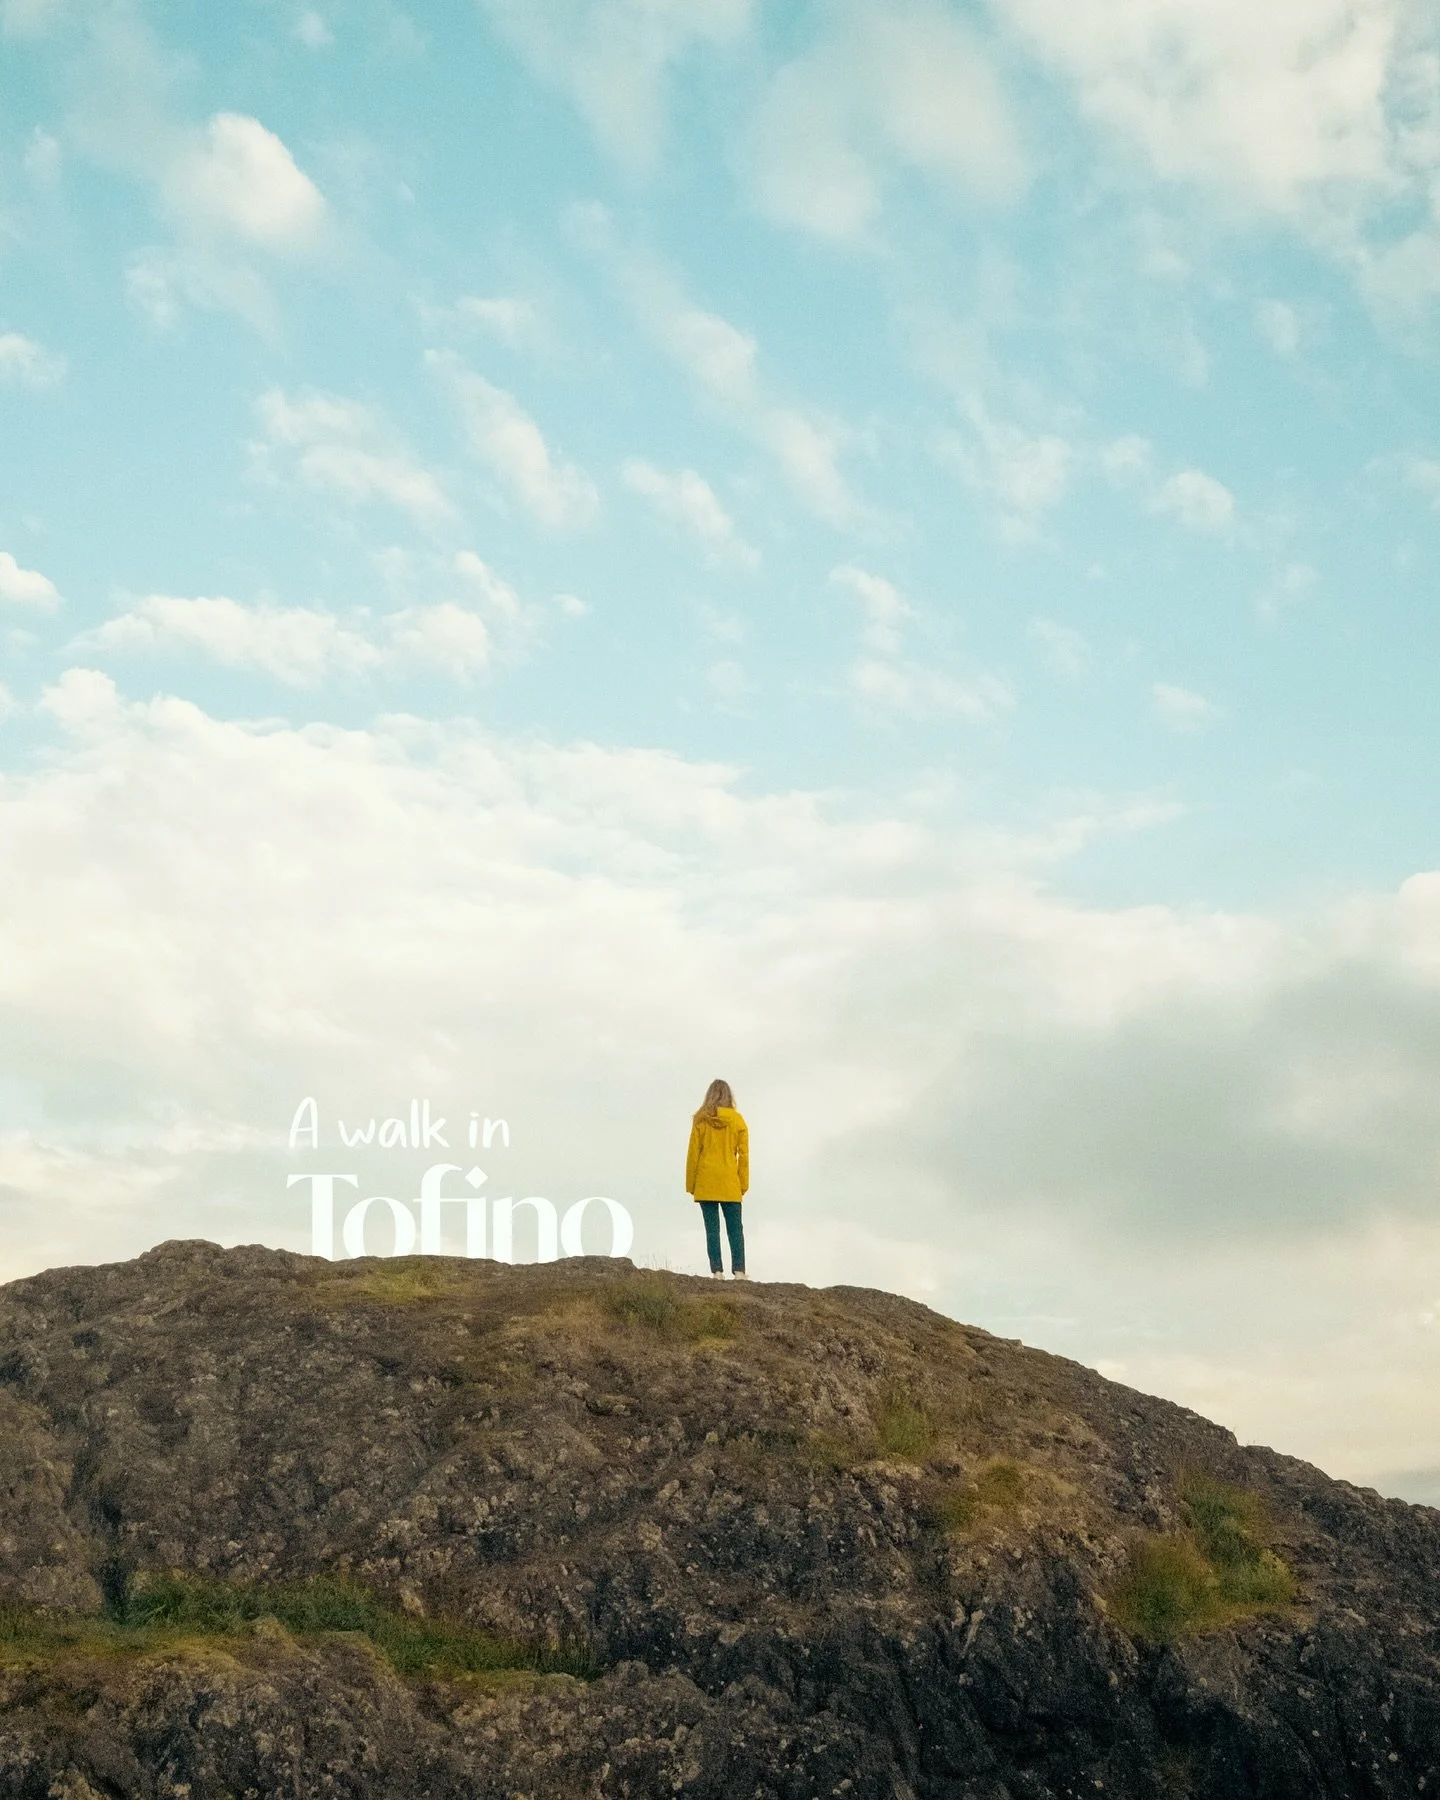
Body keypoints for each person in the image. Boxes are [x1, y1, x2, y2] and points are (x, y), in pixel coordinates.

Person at [685, 1078, 749, 1279]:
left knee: (712, 1230)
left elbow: (693, 1154)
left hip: (706, 1180)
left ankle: (717, 1272)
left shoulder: (700, 1120)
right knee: (735, 1230)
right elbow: (744, 1155)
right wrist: (743, 1184)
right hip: (730, 1181)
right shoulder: (737, 1120)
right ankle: (739, 1271)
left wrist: (691, 1184)